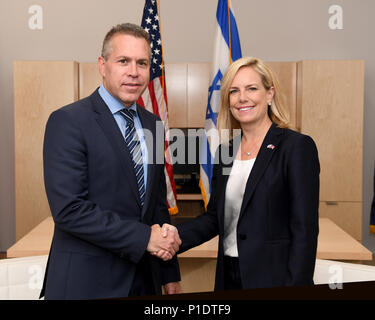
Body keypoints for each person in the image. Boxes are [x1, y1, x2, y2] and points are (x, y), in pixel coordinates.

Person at [40, 23, 181, 300]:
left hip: (143, 281)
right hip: (86, 283)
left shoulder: (153, 125)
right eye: (123, 61)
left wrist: (169, 273)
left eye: (142, 63)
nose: (134, 72)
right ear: (102, 65)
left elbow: (155, 205)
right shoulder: (68, 121)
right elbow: (70, 210)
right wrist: (145, 239)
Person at [159, 56, 320, 290]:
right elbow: (214, 218)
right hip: (229, 277)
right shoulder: (226, 151)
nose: (242, 98)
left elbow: (304, 230)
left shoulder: (296, 147)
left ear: (269, 93)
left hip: (275, 279)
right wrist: (172, 237)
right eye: (234, 91)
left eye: (251, 88)